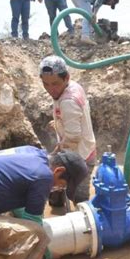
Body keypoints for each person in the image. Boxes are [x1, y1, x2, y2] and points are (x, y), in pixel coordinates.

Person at [39, 55, 96, 208]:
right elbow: (73, 119)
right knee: (58, 196)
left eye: (55, 84)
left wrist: (56, 153)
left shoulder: (68, 102)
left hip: (79, 158)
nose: (51, 89)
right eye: (46, 84)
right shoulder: (71, 87)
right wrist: (59, 124)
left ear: (66, 78)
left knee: (80, 202)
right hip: (79, 151)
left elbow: (73, 138)